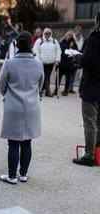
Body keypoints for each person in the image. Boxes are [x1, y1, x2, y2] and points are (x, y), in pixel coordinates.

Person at [0, 31, 44, 184]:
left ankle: (11, 176)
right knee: (27, 142)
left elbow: (1, 84)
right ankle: (23, 174)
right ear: (31, 44)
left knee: (13, 142)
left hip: (13, 106)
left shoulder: (9, 63)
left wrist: (8, 94)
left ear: (16, 45)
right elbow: (40, 84)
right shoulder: (38, 64)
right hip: (32, 106)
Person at [72, 13, 100, 167]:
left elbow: (87, 61)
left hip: (92, 87)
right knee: (99, 122)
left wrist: (78, 58)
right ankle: (97, 151)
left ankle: (89, 156)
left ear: (97, 22)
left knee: (90, 122)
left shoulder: (94, 39)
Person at [33, 28, 61, 97]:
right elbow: (36, 51)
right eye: (46, 33)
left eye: (49, 33)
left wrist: (57, 59)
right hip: (42, 63)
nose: (48, 35)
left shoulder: (54, 41)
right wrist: (38, 61)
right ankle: (44, 91)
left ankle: (44, 90)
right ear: (44, 33)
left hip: (51, 62)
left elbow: (58, 50)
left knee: (47, 76)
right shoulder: (39, 41)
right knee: (43, 77)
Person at [54, 30, 77, 97]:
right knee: (58, 77)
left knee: (68, 78)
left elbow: (75, 52)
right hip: (61, 62)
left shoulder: (73, 44)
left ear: (72, 37)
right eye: (67, 35)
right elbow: (58, 51)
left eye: (70, 35)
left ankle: (66, 90)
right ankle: (56, 90)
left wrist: (71, 47)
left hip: (69, 64)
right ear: (65, 35)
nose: (68, 36)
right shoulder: (62, 42)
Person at [69, 25, 84, 94]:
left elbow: (79, 48)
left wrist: (75, 40)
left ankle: (71, 88)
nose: (76, 33)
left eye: (78, 31)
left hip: (77, 57)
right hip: (70, 57)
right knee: (69, 73)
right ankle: (68, 87)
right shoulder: (71, 37)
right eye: (75, 31)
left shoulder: (81, 39)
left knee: (73, 73)